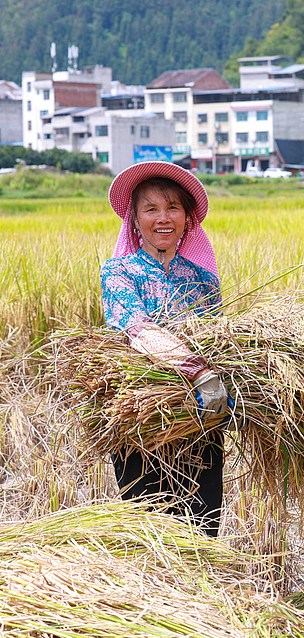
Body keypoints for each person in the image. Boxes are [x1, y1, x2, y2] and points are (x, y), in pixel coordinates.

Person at [100, 161, 232, 536]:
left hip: (200, 425)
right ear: (135, 219)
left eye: (173, 207)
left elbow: (219, 340)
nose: (163, 218)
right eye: (151, 209)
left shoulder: (203, 279)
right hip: (142, 421)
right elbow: (136, 327)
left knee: (202, 531)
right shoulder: (119, 272)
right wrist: (198, 371)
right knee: (150, 535)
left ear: (187, 218)